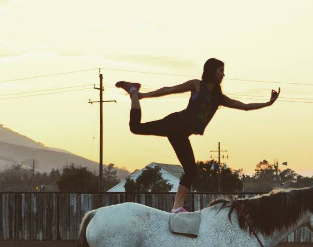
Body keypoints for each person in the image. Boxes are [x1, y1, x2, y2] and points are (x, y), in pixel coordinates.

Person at [116, 58, 280, 213]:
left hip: (181, 133)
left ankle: (176, 208)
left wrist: (268, 103)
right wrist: (144, 95)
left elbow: (244, 106)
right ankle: (134, 91)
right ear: (212, 71)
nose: (223, 74)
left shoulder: (218, 98)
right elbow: (170, 90)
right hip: (175, 123)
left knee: (191, 171)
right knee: (136, 128)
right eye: (221, 70)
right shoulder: (197, 85)